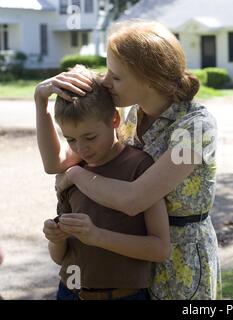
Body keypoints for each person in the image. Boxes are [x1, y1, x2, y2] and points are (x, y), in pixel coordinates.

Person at [34, 21, 221, 300]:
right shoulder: (133, 116)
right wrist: (41, 100)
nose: (106, 82)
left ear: (150, 78)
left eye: (116, 76)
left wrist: (74, 176)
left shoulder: (195, 127)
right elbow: (56, 163)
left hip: (181, 261)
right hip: (132, 258)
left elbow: (135, 199)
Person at [38, 65, 170, 300]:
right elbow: (60, 257)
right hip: (70, 292)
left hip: (125, 295)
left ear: (115, 119)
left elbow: (159, 249)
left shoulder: (139, 166)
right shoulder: (73, 170)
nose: (81, 148)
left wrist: (97, 235)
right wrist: (55, 239)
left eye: (90, 137)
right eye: (70, 140)